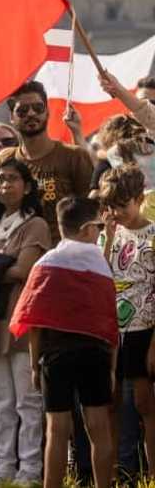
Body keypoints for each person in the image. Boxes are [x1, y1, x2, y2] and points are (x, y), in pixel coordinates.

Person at [10, 197, 117, 488]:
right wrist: (112, 365)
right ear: (86, 229)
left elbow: (35, 318)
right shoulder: (100, 265)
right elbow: (109, 317)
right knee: (99, 427)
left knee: (57, 429)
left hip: (55, 355)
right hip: (94, 354)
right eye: (97, 227)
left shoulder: (47, 263)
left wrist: (34, 364)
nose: (99, 231)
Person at [0, 155, 51, 484]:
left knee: (27, 401)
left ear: (28, 186)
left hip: (21, 316)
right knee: (1, 400)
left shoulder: (35, 224)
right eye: (0, 179)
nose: (5, 185)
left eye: (12, 179)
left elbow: (25, 269)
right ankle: (4, 464)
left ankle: (30, 467)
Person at [98, 166, 155, 469]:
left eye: (122, 204)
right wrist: (107, 238)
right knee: (112, 404)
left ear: (140, 198)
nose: (115, 212)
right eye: (110, 206)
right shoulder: (108, 234)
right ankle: (119, 471)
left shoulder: (152, 234)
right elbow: (99, 276)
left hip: (142, 329)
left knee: (145, 404)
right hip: (111, 333)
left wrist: (153, 345)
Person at [8, 81, 94, 245]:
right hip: (14, 254)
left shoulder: (74, 156)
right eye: (22, 110)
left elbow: (91, 211)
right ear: (11, 117)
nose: (31, 114)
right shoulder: (4, 160)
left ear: (47, 112)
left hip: (62, 255)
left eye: (38, 108)